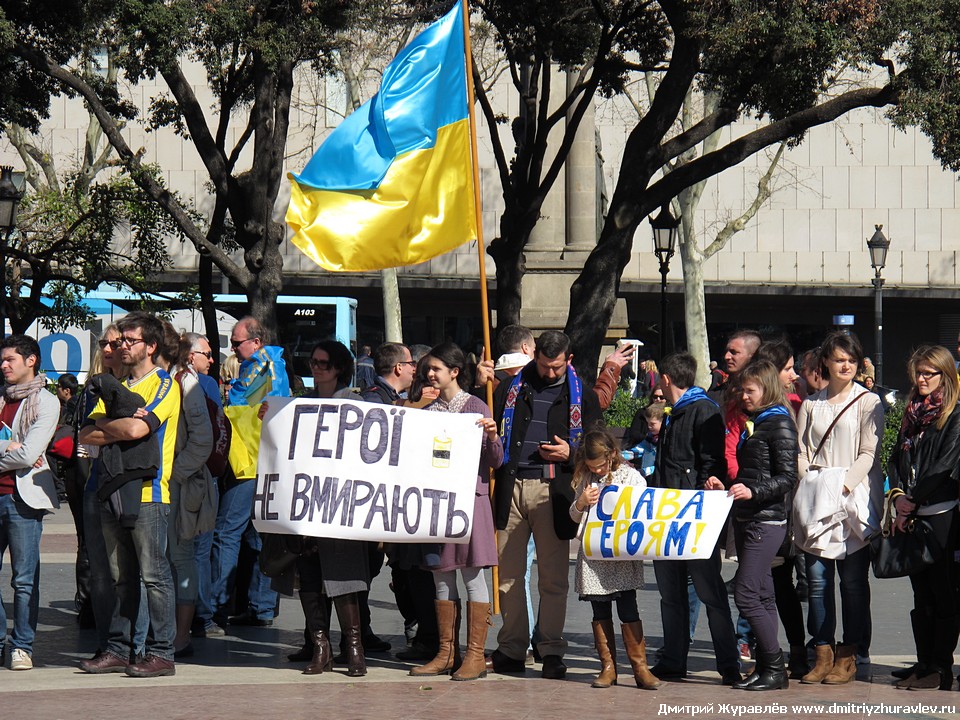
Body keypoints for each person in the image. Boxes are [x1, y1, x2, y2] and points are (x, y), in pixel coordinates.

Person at [491, 330, 602, 680]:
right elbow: (491, 430)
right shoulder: (511, 387)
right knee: (508, 575)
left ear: (568, 359)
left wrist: (573, 453)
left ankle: (551, 648)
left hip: (554, 489)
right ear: (534, 356)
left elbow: (600, 446)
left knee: (552, 578)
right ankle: (512, 648)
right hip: (511, 486)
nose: (550, 373)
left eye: (556, 367)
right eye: (544, 365)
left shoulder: (580, 392)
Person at [78, 312, 181, 677]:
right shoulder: (114, 385)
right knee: (121, 574)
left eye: (129, 340)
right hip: (112, 488)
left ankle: (162, 652)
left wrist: (107, 425)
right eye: (119, 340)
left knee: (155, 575)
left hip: (150, 492)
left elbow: (140, 428)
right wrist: (110, 425)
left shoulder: (165, 384)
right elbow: (85, 434)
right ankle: (119, 648)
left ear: (150, 347)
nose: (121, 346)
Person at [409, 342, 503, 681]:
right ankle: (447, 652)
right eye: (428, 369)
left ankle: (475, 655)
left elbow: (496, 460)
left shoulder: (477, 407)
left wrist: (492, 437)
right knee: (441, 574)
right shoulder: (426, 412)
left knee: (473, 574)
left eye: (436, 369)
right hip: (437, 503)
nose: (430, 374)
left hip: (470, 500)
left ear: (454, 371)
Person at [795, 331, 883, 685]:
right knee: (816, 583)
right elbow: (801, 452)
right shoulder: (811, 405)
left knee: (852, 584)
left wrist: (841, 486)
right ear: (825, 364)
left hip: (852, 501)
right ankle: (822, 651)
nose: (845, 365)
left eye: (851, 360)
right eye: (838, 359)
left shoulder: (868, 402)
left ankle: (851, 653)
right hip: (817, 502)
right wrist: (814, 484)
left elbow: (868, 453)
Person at [650, 352, 740, 685]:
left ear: (666, 379)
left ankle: (728, 662)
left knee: (710, 591)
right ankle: (673, 659)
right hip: (667, 515)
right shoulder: (678, 412)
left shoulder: (703, 410)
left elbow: (710, 464)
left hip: (692, 517)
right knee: (670, 594)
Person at [293, 340, 371, 677]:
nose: (317, 367)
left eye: (324, 363)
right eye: (313, 362)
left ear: (339, 367)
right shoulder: (301, 404)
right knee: (309, 573)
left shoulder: (355, 403)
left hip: (341, 501)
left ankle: (353, 646)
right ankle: (320, 645)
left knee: (344, 574)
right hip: (307, 500)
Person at [718, 360, 797, 691]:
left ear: (767, 390)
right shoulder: (759, 423)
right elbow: (753, 472)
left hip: (767, 520)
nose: (744, 395)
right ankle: (767, 667)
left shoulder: (778, 424)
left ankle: (775, 667)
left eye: (750, 390)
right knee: (762, 595)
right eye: (742, 389)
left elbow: (788, 477)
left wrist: (753, 491)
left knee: (746, 593)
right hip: (750, 517)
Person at [886, 345, 960, 690]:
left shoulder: (954, 414)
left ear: (944, 375)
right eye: (918, 372)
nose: (921, 379)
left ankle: (941, 667)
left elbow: (944, 467)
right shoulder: (912, 414)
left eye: (928, 373)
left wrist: (913, 501)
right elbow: (896, 460)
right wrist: (899, 496)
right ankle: (923, 660)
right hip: (913, 511)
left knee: (942, 592)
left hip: (941, 514)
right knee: (920, 594)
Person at [211, 317, 287, 630]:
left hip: (248, 462)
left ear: (255, 342)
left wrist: (225, 399)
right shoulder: (274, 366)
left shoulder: (262, 367)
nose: (232, 348)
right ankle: (261, 607)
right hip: (266, 463)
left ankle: (216, 606)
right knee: (258, 539)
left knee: (226, 534)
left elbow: (242, 409)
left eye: (237, 342)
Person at [569, 429, 659, 690]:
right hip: (595, 557)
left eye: (599, 466)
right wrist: (581, 503)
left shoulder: (630, 476)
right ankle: (608, 666)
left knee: (628, 607)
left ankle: (640, 667)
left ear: (611, 455)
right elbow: (574, 516)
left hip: (620, 554)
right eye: (591, 467)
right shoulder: (585, 478)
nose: (596, 471)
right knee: (600, 609)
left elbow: (644, 503)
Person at [0, 335, 61, 671]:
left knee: (24, 579)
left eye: (10, 359)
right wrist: (8, 451)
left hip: (21, 498)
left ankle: (21, 645)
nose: (4, 365)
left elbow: (28, 454)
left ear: (31, 360)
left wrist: (16, 451)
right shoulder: (0, 398)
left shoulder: (46, 402)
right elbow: (17, 453)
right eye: (3, 360)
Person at [752, 339, 809, 678]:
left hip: (779, 510)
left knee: (777, 584)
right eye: (788, 368)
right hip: (766, 508)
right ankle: (774, 654)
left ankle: (791, 653)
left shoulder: (782, 410)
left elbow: (788, 468)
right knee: (768, 586)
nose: (794, 374)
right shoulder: (764, 408)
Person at [167, 332, 216, 658]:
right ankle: (170, 632)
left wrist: (173, 474)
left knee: (181, 559)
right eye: (207, 353)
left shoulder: (189, 384)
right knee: (167, 560)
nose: (212, 359)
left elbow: (202, 440)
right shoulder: (172, 379)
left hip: (179, 486)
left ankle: (180, 636)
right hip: (171, 483)